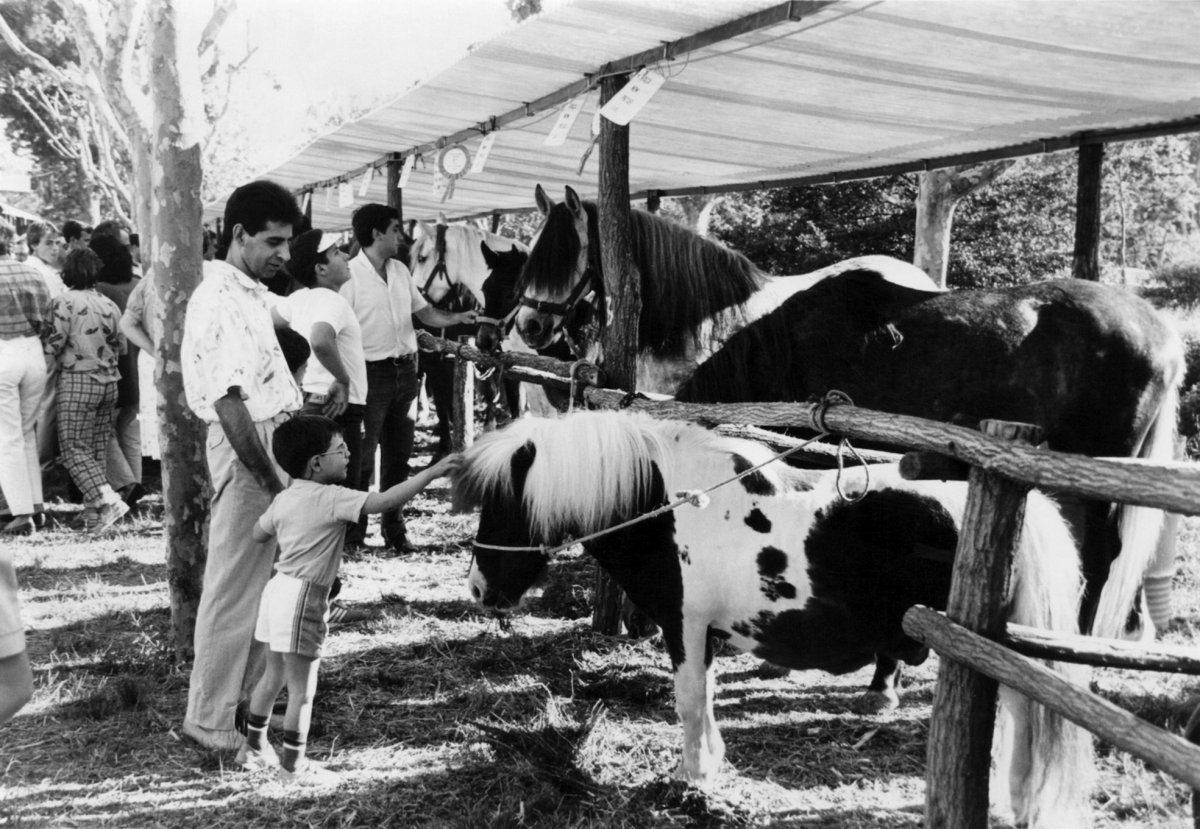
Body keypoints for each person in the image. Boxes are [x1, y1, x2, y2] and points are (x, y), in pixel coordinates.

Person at [240, 414, 460, 780]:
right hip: (304, 597)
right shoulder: (333, 498)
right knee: (302, 692)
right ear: (316, 464)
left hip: (276, 591)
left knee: (272, 675)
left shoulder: (285, 498)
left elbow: (256, 535)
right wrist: (432, 472)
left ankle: (253, 748)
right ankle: (293, 768)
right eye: (340, 450)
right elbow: (387, 500)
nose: (347, 456)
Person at [180, 179, 303, 753]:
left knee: (267, 590)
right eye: (274, 241)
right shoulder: (219, 297)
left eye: (289, 242)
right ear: (238, 235)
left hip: (274, 439)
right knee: (235, 589)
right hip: (251, 445)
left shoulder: (249, 290)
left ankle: (242, 711)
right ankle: (208, 719)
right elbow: (230, 404)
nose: (284, 253)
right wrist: (272, 481)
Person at [341, 203, 476, 553]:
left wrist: (463, 316)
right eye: (396, 229)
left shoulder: (400, 270)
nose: (402, 236)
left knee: (399, 458)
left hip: (406, 371)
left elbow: (426, 313)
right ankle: (354, 535)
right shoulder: (348, 275)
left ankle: (394, 531)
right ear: (376, 234)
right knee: (363, 458)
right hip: (369, 376)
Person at [273, 230, 368, 529]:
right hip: (337, 406)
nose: (346, 255)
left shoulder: (299, 299)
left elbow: (266, 321)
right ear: (321, 268)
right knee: (337, 497)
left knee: (314, 493)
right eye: (337, 252)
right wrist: (342, 378)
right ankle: (326, 566)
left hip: (310, 401)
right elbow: (322, 340)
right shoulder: (331, 300)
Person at [43, 248, 128, 533]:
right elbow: (121, 346)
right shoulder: (108, 305)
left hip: (78, 381)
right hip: (109, 382)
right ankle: (94, 517)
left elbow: (52, 346)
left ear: (67, 272)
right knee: (96, 450)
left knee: (72, 450)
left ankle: (108, 500)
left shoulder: (62, 303)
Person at [0, 242, 51, 536]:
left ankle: (21, 514)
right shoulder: (31, 273)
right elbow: (48, 317)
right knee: (26, 433)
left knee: (7, 439)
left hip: (3, 353)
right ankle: (35, 505)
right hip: (32, 351)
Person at [91, 235, 144, 510]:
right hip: (139, 368)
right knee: (130, 432)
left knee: (105, 432)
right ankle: (135, 485)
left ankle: (126, 485)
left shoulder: (100, 290)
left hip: (112, 369)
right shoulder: (137, 284)